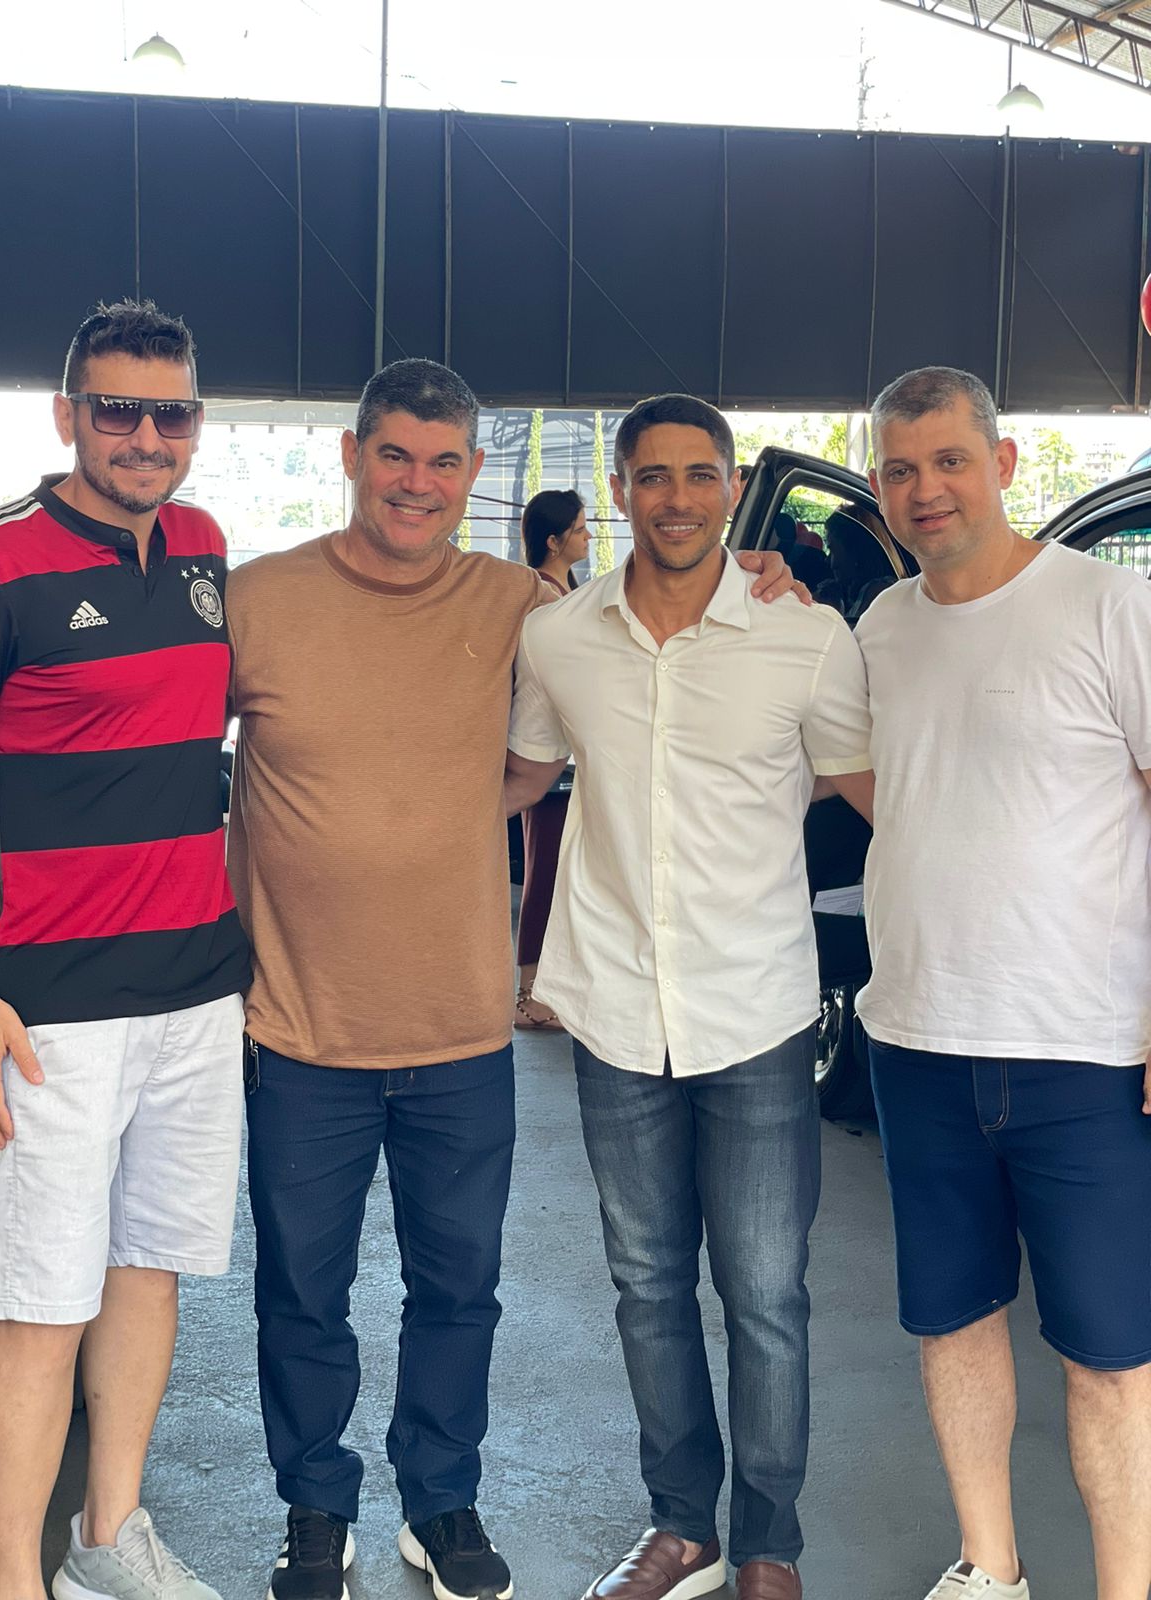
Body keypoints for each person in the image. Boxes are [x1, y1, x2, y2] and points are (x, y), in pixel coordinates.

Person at [225, 360, 802, 1600]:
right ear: (351, 455)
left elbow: (603, 672)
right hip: (302, 1026)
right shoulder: (257, 599)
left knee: (460, 1290)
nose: (417, 483)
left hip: (459, 1028)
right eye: (395, 455)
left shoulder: (521, 608)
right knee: (302, 1293)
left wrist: (760, 575)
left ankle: (441, 1500)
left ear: (475, 474)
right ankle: (315, 1506)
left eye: (444, 462)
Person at [504, 394, 875, 1600]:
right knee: (647, 1284)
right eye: (652, 476)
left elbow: (877, 791)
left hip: (754, 1007)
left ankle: (769, 1544)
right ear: (619, 488)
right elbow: (522, 775)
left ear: (729, 487)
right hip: (614, 1007)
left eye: (699, 474)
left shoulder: (803, 636)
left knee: (766, 1294)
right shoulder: (560, 637)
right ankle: (684, 1526)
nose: (676, 498)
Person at [0, 300, 249, 1600]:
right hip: (49, 1009)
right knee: (37, 1305)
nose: (144, 435)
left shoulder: (206, 546)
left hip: (193, 991)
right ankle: (15, 1581)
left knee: (149, 1269)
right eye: (117, 408)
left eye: (169, 411)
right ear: (69, 413)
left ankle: (107, 1540)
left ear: (195, 422)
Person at [857, 365, 1151, 1600]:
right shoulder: (880, 627)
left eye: (949, 460)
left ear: (1004, 464)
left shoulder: (1109, 607)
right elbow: (882, 785)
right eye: (900, 470)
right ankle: (990, 1567)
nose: (926, 489)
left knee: (1111, 1354)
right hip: (917, 1039)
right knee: (953, 1318)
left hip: (1085, 1050)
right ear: (879, 489)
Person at [513, 488, 592, 1030]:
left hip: (569, 757)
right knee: (545, 873)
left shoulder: (567, 590)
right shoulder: (541, 596)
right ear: (553, 540)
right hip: (549, 759)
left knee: (563, 874)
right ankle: (529, 995)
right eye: (580, 529)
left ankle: (549, 989)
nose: (588, 537)